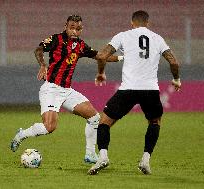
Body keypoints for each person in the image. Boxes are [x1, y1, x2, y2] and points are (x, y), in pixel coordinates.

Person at [9, 15, 123, 164]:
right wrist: (43, 65)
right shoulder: (56, 39)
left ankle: (90, 154)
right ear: (66, 27)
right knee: (49, 127)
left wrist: (125, 57)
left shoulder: (81, 45)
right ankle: (22, 134)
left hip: (67, 91)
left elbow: (101, 56)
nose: (75, 31)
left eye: (78, 29)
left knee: (94, 118)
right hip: (51, 89)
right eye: (72, 28)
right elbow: (38, 49)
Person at [88, 10, 181, 175]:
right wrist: (176, 79)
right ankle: (145, 160)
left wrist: (101, 73)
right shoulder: (157, 38)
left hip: (128, 89)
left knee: (104, 122)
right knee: (154, 122)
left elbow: (102, 55)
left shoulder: (123, 35)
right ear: (148, 23)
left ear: (132, 22)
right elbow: (173, 61)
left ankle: (103, 157)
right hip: (150, 90)